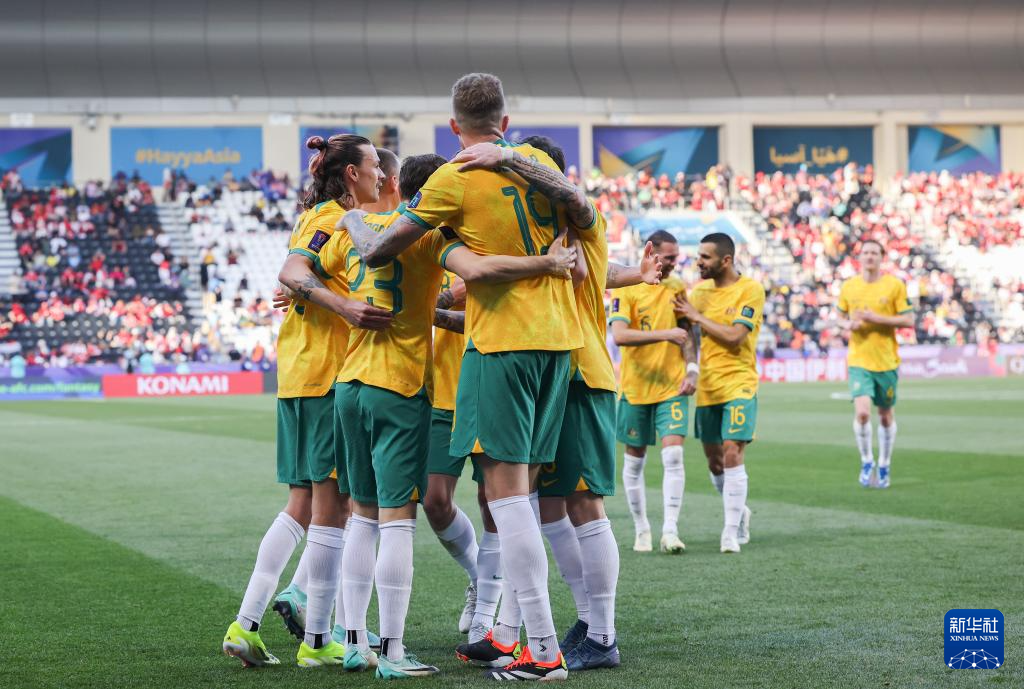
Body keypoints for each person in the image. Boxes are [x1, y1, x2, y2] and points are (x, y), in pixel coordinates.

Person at [284, 152, 578, 679]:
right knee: (397, 521)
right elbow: (480, 270)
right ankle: (394, 653)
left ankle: (353, 642)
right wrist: (546, 264)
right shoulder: (430, 238)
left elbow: (296, 275)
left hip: (348, 384)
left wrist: (325, 298)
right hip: (399, 387)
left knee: (360, 516)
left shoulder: (351, 229)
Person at [450, 134, 663, 672]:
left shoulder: (572, 222)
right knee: (536, 506)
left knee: (583, 504)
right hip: (554, 369)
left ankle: (601, 633)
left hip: (582, 372)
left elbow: (586, 271)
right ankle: (523, 631)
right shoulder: (546, 230)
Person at [222, 134, 393, 669]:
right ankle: (316, 641)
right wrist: (342, 305)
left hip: (299, 374)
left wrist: (313, 291)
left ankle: (247, 624)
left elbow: (300, 275)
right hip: (325, 376)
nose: (380, 174)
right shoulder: (334, 219)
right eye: (373, 165)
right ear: (351, 174)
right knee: (333, 508)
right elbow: (292, 272)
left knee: (302, 505)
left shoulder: (315, 217)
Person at [675, 232, 764, 554]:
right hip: (709, 386)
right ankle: (741, 511)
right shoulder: (698, 293)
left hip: (740, 382)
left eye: (705, 257)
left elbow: (736, 336)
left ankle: (730, 531)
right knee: (715, 463)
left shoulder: (750, 290)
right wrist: (691, 368)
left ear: (726, 260)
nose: (698, 261)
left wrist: (698, 317)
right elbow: (687, 335)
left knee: (732, 452)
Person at [608, 230, 697, 554]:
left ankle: (670, 530)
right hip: (635, 388)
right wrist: (665, 334)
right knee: (634, 462)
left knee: (673, 456)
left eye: (676, 257)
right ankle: (642, 528)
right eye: (669, 257)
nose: (675, 263)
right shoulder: (627, 288)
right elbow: (620, 336)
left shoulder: (676, 287)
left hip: (672, 385)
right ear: (653, 254)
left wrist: (692, 368)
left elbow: (686, 333)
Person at [837, 239, 914, 488]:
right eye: (866, 252)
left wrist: (875, 318)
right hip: (859, 360)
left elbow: (909, 319)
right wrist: (848, 324)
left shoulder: (894, 285)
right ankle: (866, 460)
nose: (869, 256)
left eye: (874, 253)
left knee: (885, 416)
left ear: (881, 257)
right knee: (862, 413)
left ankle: (884, 463)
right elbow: (839, 317)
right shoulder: (849, 286)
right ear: (859, 257)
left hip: (886, 361)